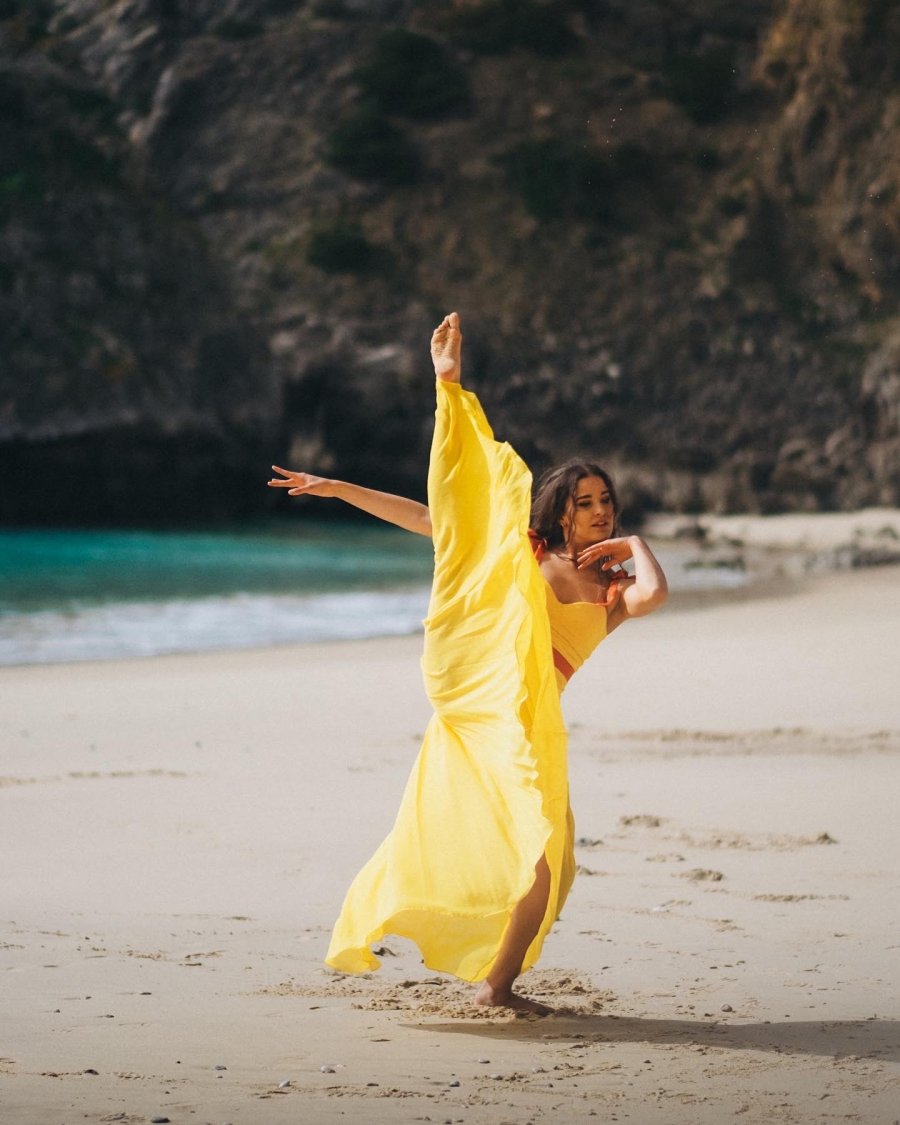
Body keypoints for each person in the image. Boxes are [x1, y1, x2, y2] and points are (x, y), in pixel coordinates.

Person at [268, 312, 667, 1013]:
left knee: (549, 867)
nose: (600, 512)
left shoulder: (611, 591)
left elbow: (655, 593)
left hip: (536, 730)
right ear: (560, 512)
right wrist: (341, 487)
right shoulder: (527, 556)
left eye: (607, 503)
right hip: (490, 716)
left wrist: (635, 543)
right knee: (534, 862)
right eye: (587, 503)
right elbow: (438, 519)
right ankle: (496, 990)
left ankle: (495, 984)